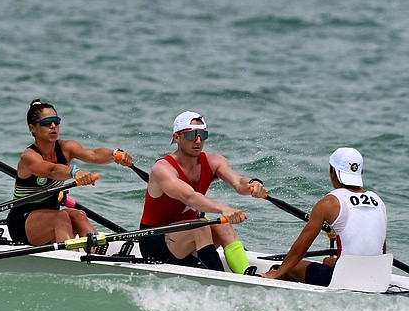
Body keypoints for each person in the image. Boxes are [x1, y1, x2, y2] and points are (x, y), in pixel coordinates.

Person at [138, 111, 264, 274]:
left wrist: (253, 184)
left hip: (189, 242)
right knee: (202, 225)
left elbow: (238, 182)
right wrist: (223, 209)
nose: (198, 140)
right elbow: (189, 197)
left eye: (203, 135)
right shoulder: (162, 169)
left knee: (223, 225)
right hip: (155, 242)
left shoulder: (214, 161)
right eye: (191, 135)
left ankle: (245, 274)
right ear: (176, 138)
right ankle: (220, 279)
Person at [5, 99, 133, 249]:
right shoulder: (29, 157)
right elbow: (52, 170)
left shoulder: (66, 148)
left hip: (51, 217)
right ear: (32, 128)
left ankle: (97, 252)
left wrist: (114, 155)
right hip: (22, 222)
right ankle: (72, 256)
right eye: (46, 123)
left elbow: (93, 154)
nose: (53, 126)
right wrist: (75, 172)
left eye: (56, 121)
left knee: (79, 215)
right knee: (62, 216)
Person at [263, 148, 387, 286]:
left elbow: (300, 248)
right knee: (327, 261)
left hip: (345, 280)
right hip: (376, 278)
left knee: (291, 267)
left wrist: (277, 273)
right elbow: (381, 248)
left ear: (333, 171)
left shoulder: (329, 203)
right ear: (360, 172)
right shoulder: (378, 201)